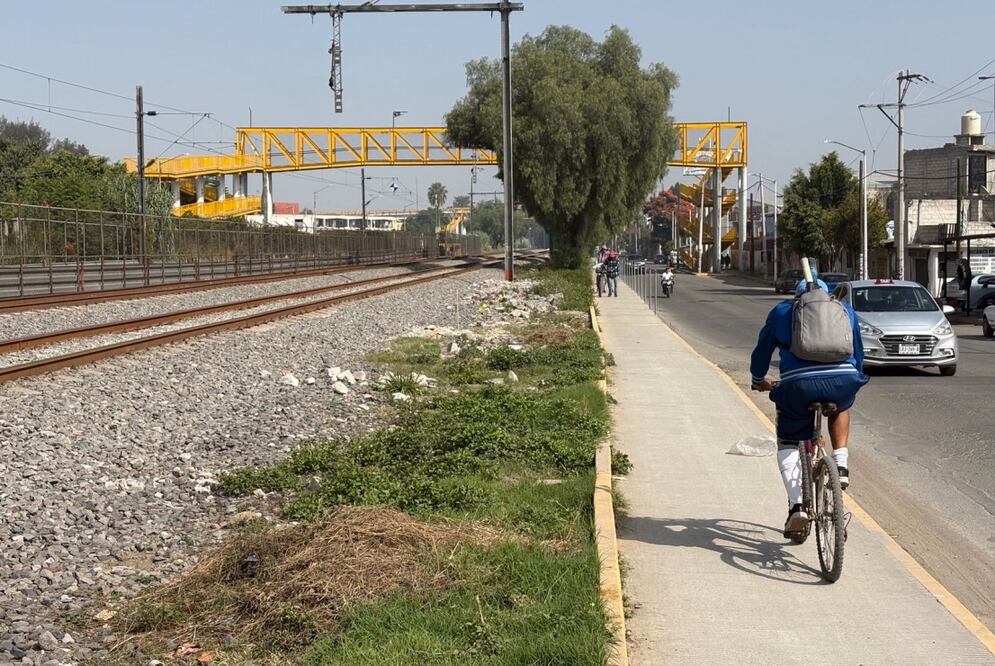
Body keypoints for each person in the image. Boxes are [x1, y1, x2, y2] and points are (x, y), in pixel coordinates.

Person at [750, 276, 868, 541]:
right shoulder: (845, 309)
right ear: (827, 297)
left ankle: (797, 507)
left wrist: (759, 380)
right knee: (841, 407)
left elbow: (762, 352)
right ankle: (840, 463)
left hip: (798, 386)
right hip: (843, 380)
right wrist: (854, 378)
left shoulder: (783, 311)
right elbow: (858, 350)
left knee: (788, 441)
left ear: (798, 297)